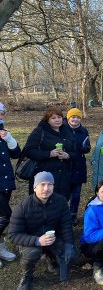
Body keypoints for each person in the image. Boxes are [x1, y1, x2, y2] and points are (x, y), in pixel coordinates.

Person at [8, 172, 77, 290]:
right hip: (31, 241)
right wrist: (37, 240)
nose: (46, 188)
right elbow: (13, 235)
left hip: (53, 238)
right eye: (42, 184)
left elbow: (66, 225)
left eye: (50, 184)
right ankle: (27, 275)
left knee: (70, 252)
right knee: (32, 253)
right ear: (35, 187)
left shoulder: (61, 201)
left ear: (53, 186)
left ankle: (51, 257)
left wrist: (69, 243)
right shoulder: (23, 206)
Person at [24, 107, 77, 199]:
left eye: (59, 117)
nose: (57, 120)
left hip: (64, 177)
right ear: (47, 120)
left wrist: (67, 155)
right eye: (53, 118)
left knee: (61, 203)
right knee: (44, 204)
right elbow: (29, 151)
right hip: (44, 177)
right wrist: (49, 154)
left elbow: (75, 152)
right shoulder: (39, 131)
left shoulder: (67, 131)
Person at [0, 102, 21, 268]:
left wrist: (9, 139)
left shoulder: (3, 132)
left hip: (5, 181)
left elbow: (16, 154)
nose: (2, 114)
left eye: (3, 112)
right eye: (0, 112)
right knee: (5, 216)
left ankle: (0, 246)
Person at [65, 108, 91, 223]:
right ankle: (62, 215)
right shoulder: (62, 129)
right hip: (65, 165)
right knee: (64, 193)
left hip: (78, 165)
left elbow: (88, 147)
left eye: (78, 117)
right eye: (73, 117)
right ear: (68, 118)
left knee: (76, 193)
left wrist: (86, 148)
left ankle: (72, 215)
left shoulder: (84, 131)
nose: (75, 119)